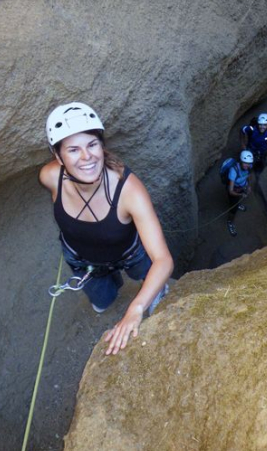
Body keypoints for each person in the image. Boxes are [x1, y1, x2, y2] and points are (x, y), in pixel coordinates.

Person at [39, 102, 174, 355]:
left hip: (129, 253)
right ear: (58, 157)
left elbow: (163, 260)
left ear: (102, 146)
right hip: (83, 261)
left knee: (151, 278)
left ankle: (153, 292)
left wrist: (135, 309)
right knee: (103, 303)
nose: (86, 157)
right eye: (73, 150)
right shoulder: (49, 176)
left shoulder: (128, 190)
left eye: (92, 145)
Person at [226, 150, 254, 237]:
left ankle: (238, 204)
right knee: (233, 209)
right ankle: (230, 222)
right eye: (245, 163)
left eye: (249, 163)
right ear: (241, 161)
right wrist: (241, 194)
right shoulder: (233, 171)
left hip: (242, 187)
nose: (247, 165)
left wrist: (248, 186)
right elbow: (231, 191)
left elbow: (249, 176)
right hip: (234, 190)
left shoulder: (249, 166)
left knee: (238, 200)